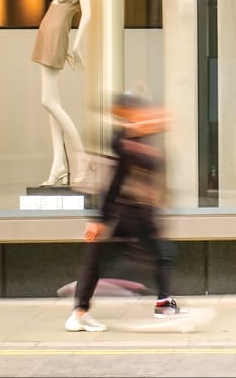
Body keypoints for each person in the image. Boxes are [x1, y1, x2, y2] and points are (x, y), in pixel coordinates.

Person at [65, 91, 179, 332]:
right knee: (98, 260)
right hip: (121, 214)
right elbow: (115, 183)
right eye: (139, 113)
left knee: (160, 255)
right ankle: (79, 313)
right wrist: (99, 219)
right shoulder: (125, 142)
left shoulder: (134, 139)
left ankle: (164, 304)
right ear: (128, 115)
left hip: (134, 215)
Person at [31, 0, 92, 187]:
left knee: (48, 101)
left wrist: (76, 46)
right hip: (48, 34)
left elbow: (87, 14)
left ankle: (82, 159)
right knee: (51, 104)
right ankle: (59, 165)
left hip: (56, 37)